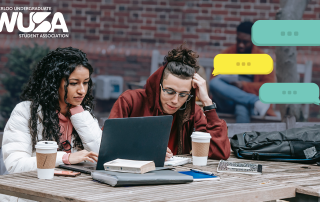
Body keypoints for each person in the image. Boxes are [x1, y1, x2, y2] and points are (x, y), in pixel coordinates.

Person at [109, 45, 230, 161]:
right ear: (159, 85)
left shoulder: (193, 111)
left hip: (180, 176)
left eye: (183, 94)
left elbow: (219, 152)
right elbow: (108, 144)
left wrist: (207, 102)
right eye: (169, 91)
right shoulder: (130, 101)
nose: (175, 101)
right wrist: (145, 150)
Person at [2, 47, 102, 174]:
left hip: (75, 188)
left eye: (86, 82)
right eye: (73, 83)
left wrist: (81, 117)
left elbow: (103, 158)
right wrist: (66, 158)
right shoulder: (26, 112)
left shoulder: (84, 114)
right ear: (54, 84)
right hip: (32, 189)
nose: (82, 90)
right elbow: (15, 165)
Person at [209, 21, 276, 123]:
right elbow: (215, 83)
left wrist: (243, 86)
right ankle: (254, 101)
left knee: (241, 106)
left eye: (245, 42)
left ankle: (241, 138)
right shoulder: (226, 55)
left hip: (248, 107)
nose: (241, 45)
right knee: (214, 83)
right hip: (227, 101)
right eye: (238, 40)